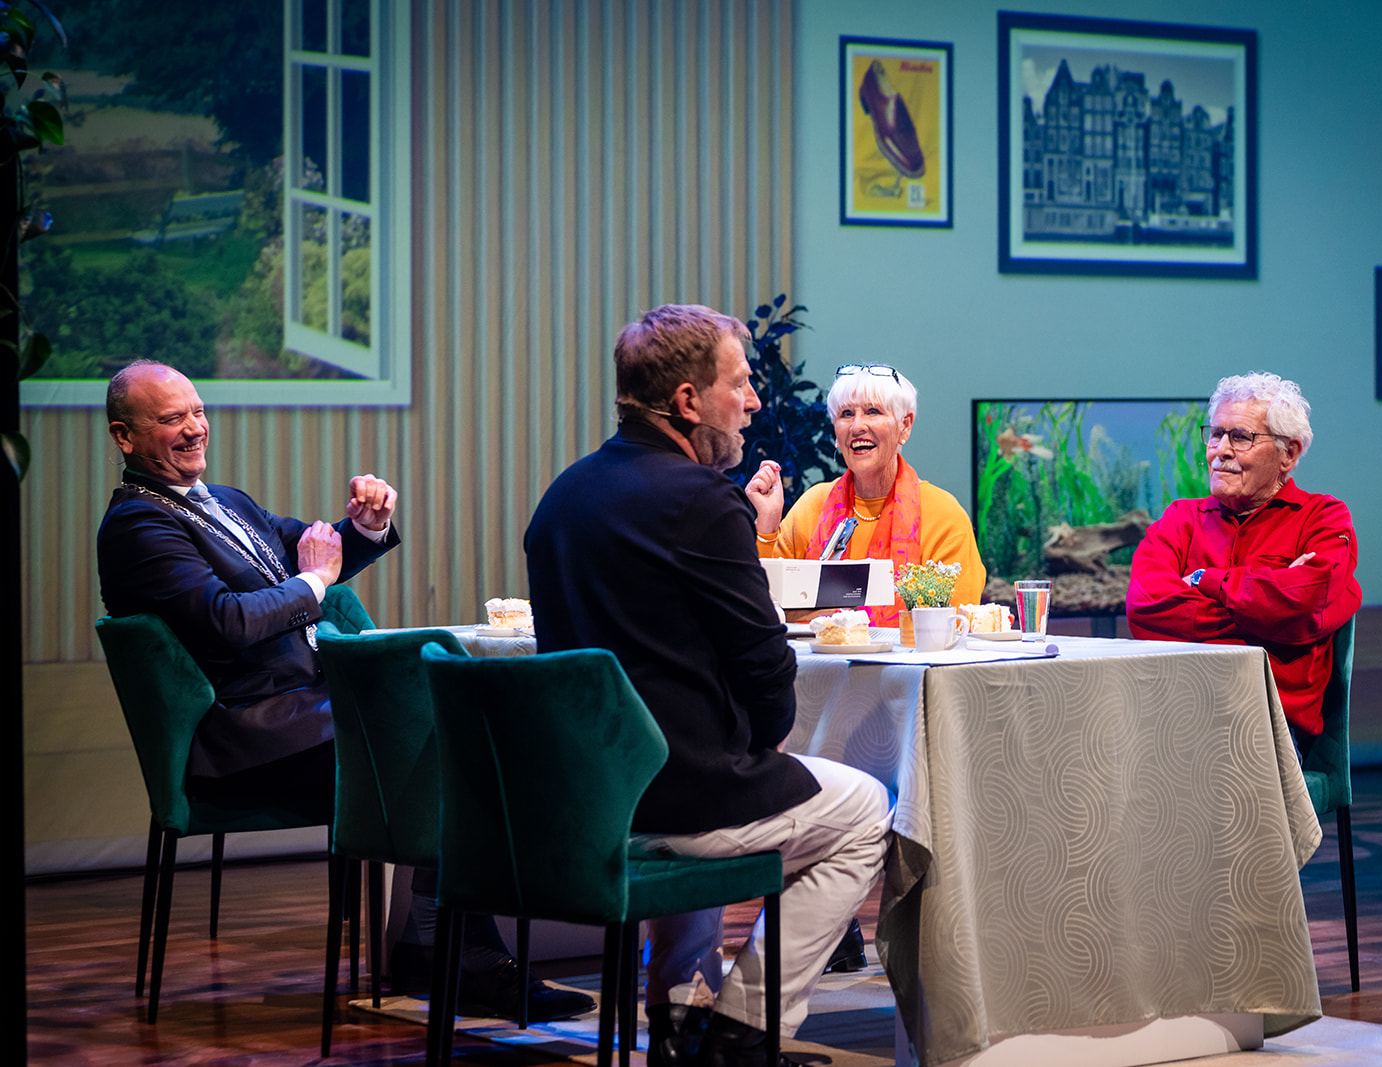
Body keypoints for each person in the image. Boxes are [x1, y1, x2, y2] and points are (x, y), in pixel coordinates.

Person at [97, 361, 591, 1023]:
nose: (193, 427)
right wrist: (313, 583)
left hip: (308, 711)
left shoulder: (230, 502)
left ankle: (433, 944)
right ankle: (459, 956)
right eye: (170, 418)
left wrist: (360, 526)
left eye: (196, 409)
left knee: (467, 727)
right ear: (126, 437)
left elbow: (315, 553)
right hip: (253, 736)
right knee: (462, 744)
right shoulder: (136, 527)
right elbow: (232, 620)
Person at [525, 304, 893, 1067]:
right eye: (741, 382)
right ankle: (741, 1032)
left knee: (717, 778)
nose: (755, 400)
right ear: (689, 402)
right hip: (680, 798)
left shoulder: (560, 499)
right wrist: (763, 736)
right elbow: (766, 668)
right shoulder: (700, 500)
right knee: (865, 808)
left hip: (591, 798)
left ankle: (681, 1019)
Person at [1125, 372, 1362, 754]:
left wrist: (1206, 581)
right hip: (1176, 710)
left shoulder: (1323, 518)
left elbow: (1304, 603)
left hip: (1267, 725)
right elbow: (1145, 608)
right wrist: (1268, 603)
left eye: (1241, 437)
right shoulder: (1180, 519)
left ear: (1290, 452)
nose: (1221, 450)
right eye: (1215, 434)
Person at [743, 363, 986, 642]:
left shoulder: (943, 514)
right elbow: (761, 605)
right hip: (817, 673)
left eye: (873, 411)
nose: (858, 426)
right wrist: (767, 525)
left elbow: (955, 624)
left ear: (904, 426)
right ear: (836, 432)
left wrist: (811, 611)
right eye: (846, 414)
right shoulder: (813, 505)